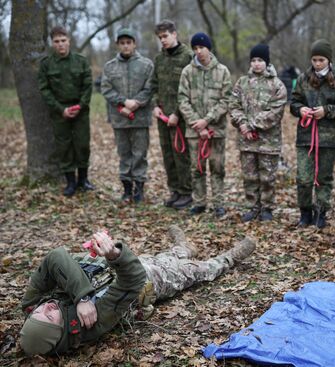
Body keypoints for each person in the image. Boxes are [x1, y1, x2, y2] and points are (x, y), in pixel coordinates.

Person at [18, 227, 256, 356]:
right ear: (60, 332)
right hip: (144, 282)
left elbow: (56, 256)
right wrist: (113, 255)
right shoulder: (92, 322)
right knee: (195, 271)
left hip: (118, 268)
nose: (47, 307)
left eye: (38, 311)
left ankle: (182, 248)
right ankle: (228, 259)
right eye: (50, 317)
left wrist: (82, 297)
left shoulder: (35, 304)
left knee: (163, 258)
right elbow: (132, 281)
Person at [289, 39, 335, 228]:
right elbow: (293, 102)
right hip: (306, 136)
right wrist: (300, 110)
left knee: (323, 178)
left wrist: (327, 110)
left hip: (328, 138)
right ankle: (305, 213)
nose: (317, 64)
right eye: (314, 60)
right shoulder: (303, 78)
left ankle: (321, 213)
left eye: (321, 60)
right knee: (303, 177)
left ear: (329, 60)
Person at [229, 44, 287, 222]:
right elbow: (233, 105)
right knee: (250, 176)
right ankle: (253, 207)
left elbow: (275, 112)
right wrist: (243, 124)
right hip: (247, 140)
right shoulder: (242, 82)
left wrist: (252, 124)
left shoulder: (277, 85)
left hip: (268, 141)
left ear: (267, 62)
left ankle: (267, 208)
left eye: (260, 60)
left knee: (267, 176)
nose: (256, 64)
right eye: (253, 60)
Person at [178, 32, 232, 217]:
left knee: (218, 168)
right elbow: (182, 100)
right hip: (194, 132)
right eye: (195, 48)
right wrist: (196, 123)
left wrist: (207, 120)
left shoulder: (222, 71)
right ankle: (199, 202)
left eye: (202, 47)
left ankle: (218, 203)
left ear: (209, 48)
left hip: (216, 130)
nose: (198, 51)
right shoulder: (187, 72)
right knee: (197, 168)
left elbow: (226, 100)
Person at [38, 26, 94, 197]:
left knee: (82, 144)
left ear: (69, 41)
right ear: (52, 43)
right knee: (64, 146)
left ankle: (83, 180)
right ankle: (70, 182)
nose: (60, 44)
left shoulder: (81, 61)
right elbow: (44, 89)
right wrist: (61, 109)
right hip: (59, 111)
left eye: (63, 40)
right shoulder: (46, 64)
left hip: (80, 111)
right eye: (56, 41)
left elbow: (88, 85)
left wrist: (80, 106)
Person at [101, 28, 154, 203]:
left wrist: (136, 103)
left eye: (128, 42)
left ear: (134, 44)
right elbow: (106, 89)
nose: (125, 46)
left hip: (140, 118)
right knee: (124, 154)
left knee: (140, 154)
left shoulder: (146, 65)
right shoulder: (110, 67)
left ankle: (139, 190)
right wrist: (123, 102)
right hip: (120, 118)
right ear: (118, 45)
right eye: (122, 43)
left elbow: (150, 88)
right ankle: (126, 190)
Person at [151, 20, 195, 210]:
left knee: (181, 154)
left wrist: (178, 113)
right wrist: (155, 105)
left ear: (174, 34)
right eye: (160, 37)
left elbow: (191, 89)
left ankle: (187, 192)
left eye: (166, 36)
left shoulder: (188, 57)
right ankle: (175, 190)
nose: (163, 40)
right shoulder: (159, 59)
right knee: (167, 154)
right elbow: (154, 85)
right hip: (163, 116)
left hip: (181, 117)